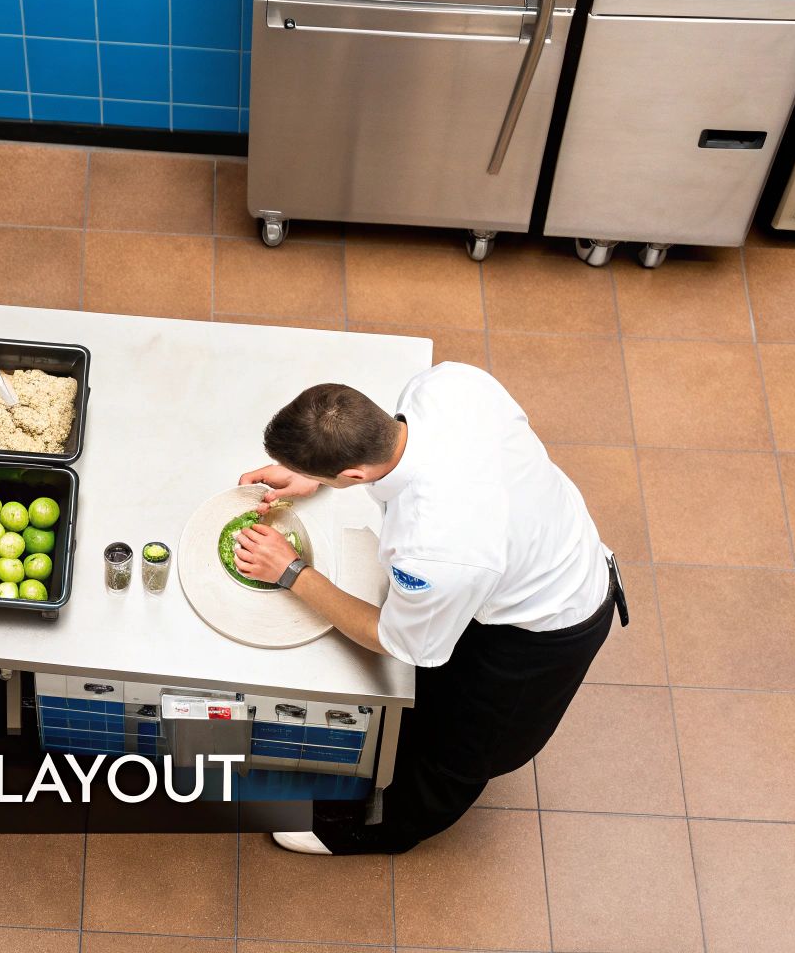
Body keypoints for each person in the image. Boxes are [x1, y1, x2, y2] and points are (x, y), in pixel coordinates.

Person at [232, 362, 626, 856]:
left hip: (545, 625)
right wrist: (311, 470)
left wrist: (292, 572)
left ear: (352, 473)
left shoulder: (435, 549)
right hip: (533, 547)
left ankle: (380, 829)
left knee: (462, 748)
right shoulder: (449, 384)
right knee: (432, 692)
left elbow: (400, 640)